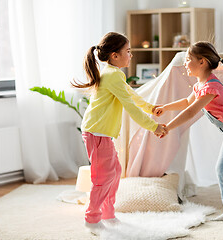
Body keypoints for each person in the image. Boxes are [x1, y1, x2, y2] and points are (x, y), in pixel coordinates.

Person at [154, 41, 223, 221]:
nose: (185, 64)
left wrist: (167, 127)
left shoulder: (211, 87)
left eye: (188, 59)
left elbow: (190, 112)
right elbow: (187, 103)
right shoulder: (200, 84)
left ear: (202, 62)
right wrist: (165, 107)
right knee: (221, 170)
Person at [72, 32, 167, 235]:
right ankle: (92, 218)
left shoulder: (114, 74)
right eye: (128, 51)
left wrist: (151, 108)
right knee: (103, 177)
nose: (131, 55)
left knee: (114, 174)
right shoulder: (112, 75)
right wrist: (153, 126)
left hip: (101, 133)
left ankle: (107, 213)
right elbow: (130, 107)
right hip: (97, 133)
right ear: (115, 55)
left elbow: (131, 95)